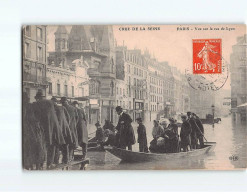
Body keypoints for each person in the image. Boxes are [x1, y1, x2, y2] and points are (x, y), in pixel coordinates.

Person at [33, 91, 65, 169]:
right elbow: (59, 110)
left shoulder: (35, 104)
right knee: (52, 145)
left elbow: (35, 116)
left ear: (37, 98)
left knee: (42, 145)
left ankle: (40, 165)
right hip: (53, 127)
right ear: (43, 97)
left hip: (43, 127)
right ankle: (49, 164)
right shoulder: (50, 102)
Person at [51, 97, 73, 164]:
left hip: (59, 130)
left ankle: (56, 161)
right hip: (64, 129)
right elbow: (68, 118)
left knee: (58, 145)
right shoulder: (62, 108)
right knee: (65, 144)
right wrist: (66, 126)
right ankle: (65, 160)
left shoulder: (53, 109)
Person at [61, 97, 79, 161]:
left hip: (64, 129)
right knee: (71, 142)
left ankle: (65, 158)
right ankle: (70, 157)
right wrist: (74, 125)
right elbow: (77, 118)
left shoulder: (61, 108)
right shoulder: (73, 108)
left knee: (65, 143)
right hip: (72, 128)